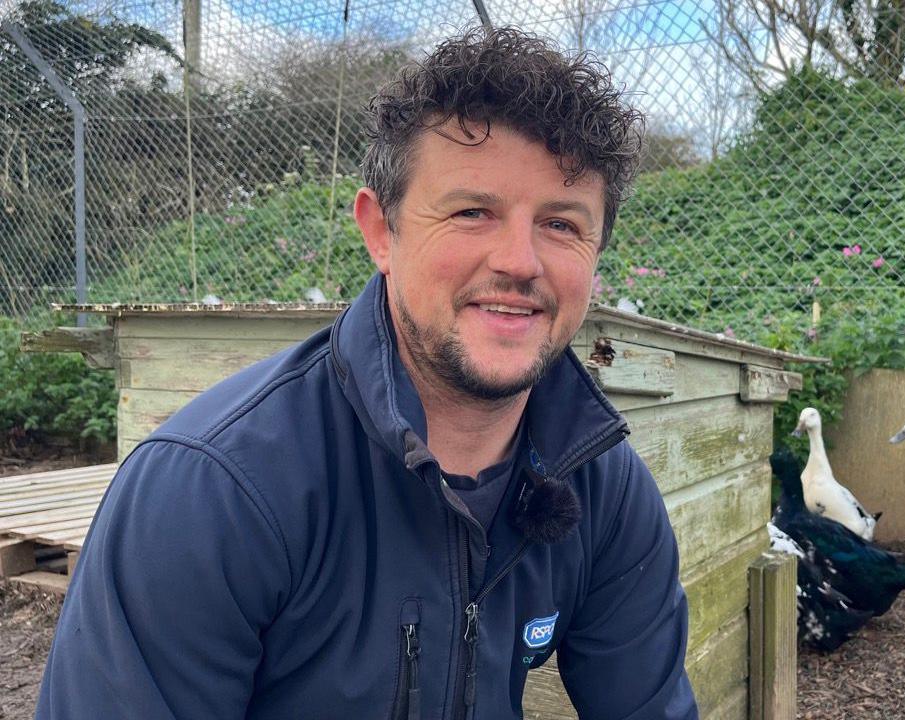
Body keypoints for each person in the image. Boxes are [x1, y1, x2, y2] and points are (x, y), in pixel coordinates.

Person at [37, 27, 698, 720]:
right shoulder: (213, 492)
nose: (520, 262)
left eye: (562, 224)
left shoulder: (603, 486)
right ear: (381, 231)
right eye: (473, 212)